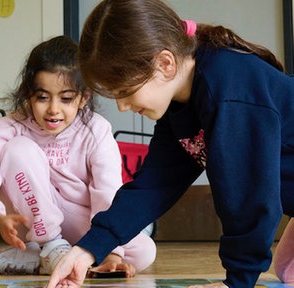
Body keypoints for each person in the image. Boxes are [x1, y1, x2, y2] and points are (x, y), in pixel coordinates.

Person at [46, 0, 294, 288]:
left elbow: (249, 198)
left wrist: (236, 283)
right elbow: (153, 185)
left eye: (126, 92)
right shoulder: (179, 105)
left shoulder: (229, 90)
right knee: (288, 271)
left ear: (165, 63)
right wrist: (87, 249)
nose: (123, 106)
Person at [0, 35, 156, 276]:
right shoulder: (8, 129)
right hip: (33, 224)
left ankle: (41, 258)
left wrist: (109, 252)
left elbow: (107, 192)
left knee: (144, 252)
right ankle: (50, 248)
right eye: (42, 97)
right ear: (28, 94)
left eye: (66, 98)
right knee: (18, 148)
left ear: (84, 97)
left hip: (83, 224)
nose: (53, 109)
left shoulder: (96, 130)